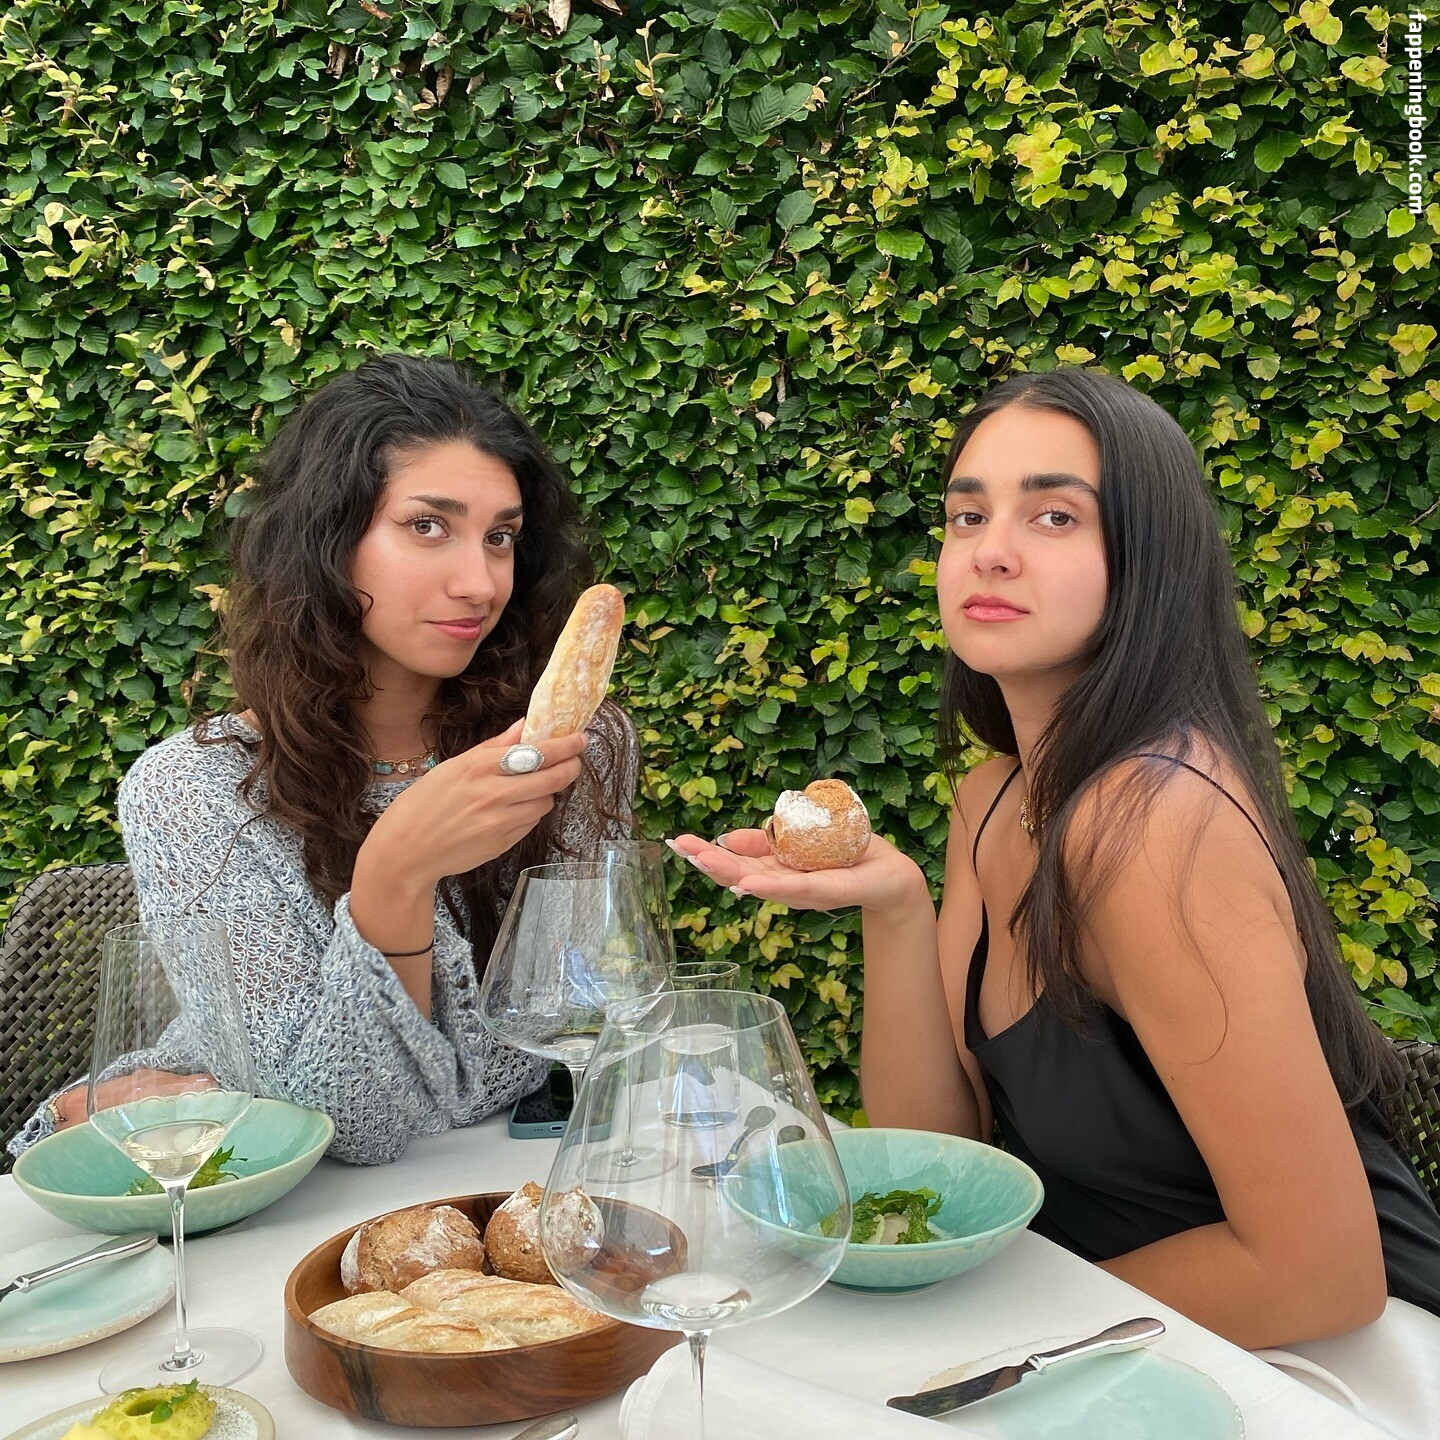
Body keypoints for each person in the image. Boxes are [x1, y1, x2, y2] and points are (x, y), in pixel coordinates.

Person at [673, 367, 1440, 1352]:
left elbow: (1322, 1277)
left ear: (1146, 562)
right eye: (967, 516)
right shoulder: (992, 796)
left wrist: (982, 1328)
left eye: (1054, 517)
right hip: (1114, 1332)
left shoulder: (1157, 821)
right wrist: (895, 908)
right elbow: (945, 1156)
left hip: (1323, 1361)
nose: (989, 552)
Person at [9, 354, 637, 1165]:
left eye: (501, 537)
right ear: (327, 539)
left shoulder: (576, 747)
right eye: (428, 526)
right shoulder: (196, 792)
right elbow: (349, 1126)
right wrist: (395, 876)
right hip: (280, 1199)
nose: (480, 583)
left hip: (509, 1174)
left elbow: (563, 1025)